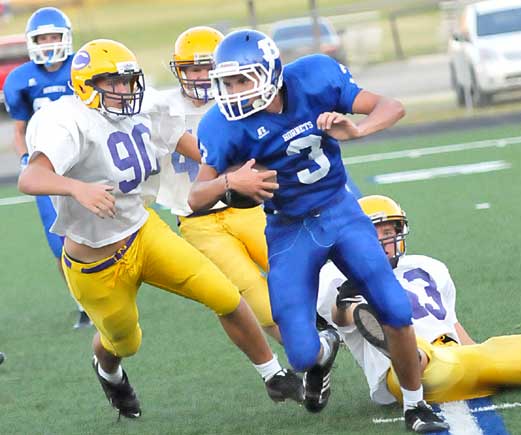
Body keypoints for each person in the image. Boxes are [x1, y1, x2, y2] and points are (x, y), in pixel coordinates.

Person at [18, 38, 303, 419]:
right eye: (113, 82)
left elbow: (184, 143)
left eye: (128, 80)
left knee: (225, 294)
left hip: (143, 231)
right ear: (86, 85)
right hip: (95, 261)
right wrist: (77, 188)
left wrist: (228, 171)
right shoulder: (67, 120)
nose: (125, 90)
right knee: (124, 341)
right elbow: (30, 176)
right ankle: (108, 370)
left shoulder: (143, 106)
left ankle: (274, 375)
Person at [188, 29, 448, 432]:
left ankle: (415, 406)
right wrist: (229, 184)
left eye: (243, 80)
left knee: (394, 308)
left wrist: (357, 130)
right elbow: (195, 197)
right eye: (227, 82)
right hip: (289, 229)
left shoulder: (315, 77)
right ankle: (325, 349)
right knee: (300, 354)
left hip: (340, 210)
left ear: (271, 73)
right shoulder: (222, 125)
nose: (233, 92)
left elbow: (390, 106)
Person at [318, 194, 521, 406]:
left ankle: (448, 362)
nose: (382, 243)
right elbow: (346, 315)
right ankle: (404, 352)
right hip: (404, 373)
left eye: (388, 234)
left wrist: (482, 356)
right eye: (372, 234)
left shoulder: (428, 266)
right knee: (419, 353)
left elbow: (453, 325)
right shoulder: (341, 275)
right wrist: (349, 304)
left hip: (453, 357)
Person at [154, 26, 281, 342]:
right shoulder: (159, 109)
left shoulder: (242, 100)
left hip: (249, 208)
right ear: (179, 70)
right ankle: (311, 359)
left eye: (207, 68)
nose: (199, 77)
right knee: (261, 304)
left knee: (299, 275)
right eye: (192, 69)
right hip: (199, 221)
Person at [3, 6, 91, 329]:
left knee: (102, 229)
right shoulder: (20, 79)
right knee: (59, 242)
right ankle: (82, 302)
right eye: (42, 38)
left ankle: (110, 289)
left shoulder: (82, 68)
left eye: (54, 36)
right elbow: (19, 129)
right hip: (47, 168)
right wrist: (27, 159)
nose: (49, 43)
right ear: (31, 41)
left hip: (85, 161)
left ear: (66, 37)